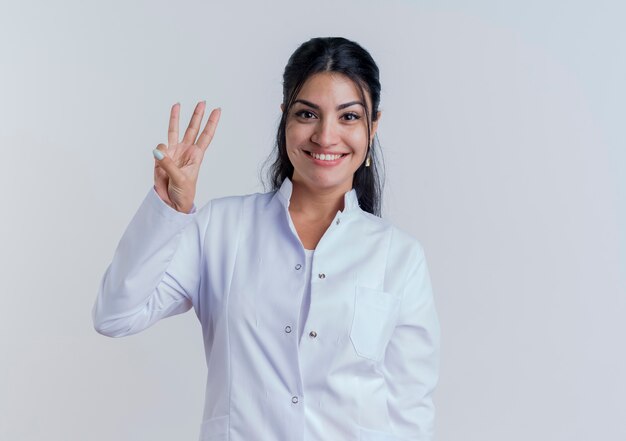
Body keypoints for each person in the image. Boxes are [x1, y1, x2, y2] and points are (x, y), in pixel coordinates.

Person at [93, 36, 440, 441]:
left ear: (372, 127)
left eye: (348, 117)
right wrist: (169, 210)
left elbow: (409, 412)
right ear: (285, 119)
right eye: (308, 114)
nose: (326, 136)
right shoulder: (221, 228)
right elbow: (114, 316)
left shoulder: (399, 257)